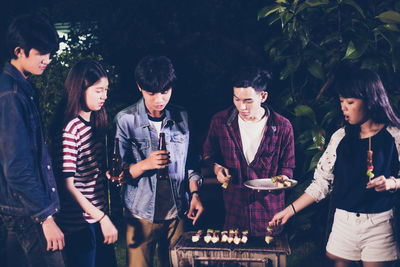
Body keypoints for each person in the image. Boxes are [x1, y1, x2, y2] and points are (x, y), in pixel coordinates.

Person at [270, 67, 400, 266]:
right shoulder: (340, 137)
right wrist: (288, 211)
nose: (344, 108)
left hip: (379, 223)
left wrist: (392, 183)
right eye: (341, 102)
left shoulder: (394, 136)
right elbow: (321, 183)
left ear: (371, 100)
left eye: (350, 102)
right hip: (344, 222)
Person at [114, 55, 204, 267]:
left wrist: (195, 194)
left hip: (177, 211)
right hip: (140, 213)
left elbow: (192, 162)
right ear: (139, 87)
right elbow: (118, 173)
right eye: (151, 93)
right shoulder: (126, 120)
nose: (159, 99)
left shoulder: (182, 117)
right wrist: (146, 164)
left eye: (165, 92)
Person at [0, 14, 65, 267]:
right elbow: (16, 166)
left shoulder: (21, 88)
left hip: (19, 207)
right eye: (41, 53)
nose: (47, 60)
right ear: (19, 51)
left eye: (50, 53)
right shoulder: (11, 95)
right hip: (28, 212)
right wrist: (46, 218)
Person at [202, 67, 295, 236]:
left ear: (263, 96)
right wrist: (216, 168)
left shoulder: (283, 127)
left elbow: (287, 168)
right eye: (236, 99)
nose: (241, 106)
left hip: (269, 215)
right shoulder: (221, 122)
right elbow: (208, 155)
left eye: (248, 101)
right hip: (234, 213)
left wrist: (279, 181)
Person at [55, 59, 118, 267]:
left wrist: (105, 174)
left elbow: (88, 171)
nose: (104, 96)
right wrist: (102, 218)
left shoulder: (95, 122)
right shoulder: (71, 129)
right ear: (80, 88)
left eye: (106, 90)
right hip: (79, 223)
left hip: (97, 215)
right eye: (98, 90)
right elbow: (68, 185)